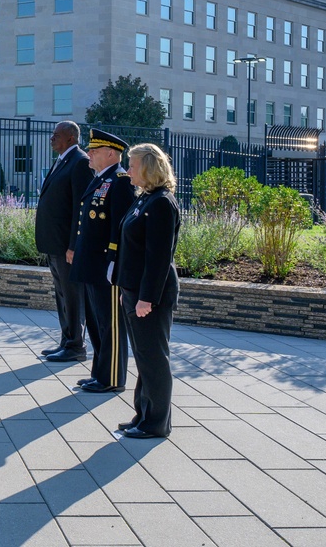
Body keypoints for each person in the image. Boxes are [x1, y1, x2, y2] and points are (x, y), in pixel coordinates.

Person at [111, 143, 181, 439]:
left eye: (133, 165)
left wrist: (146, 298)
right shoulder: (145, 199)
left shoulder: (162, 203)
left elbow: (158, 258)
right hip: (133, 290)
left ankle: (156, 423)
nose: (128, 170)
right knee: (143, 357)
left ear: (149, 167)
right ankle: (143, 414)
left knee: (153, 358)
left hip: (149, 295)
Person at [69, 129, 135, 393]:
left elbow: (119, 227)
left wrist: (113, 261)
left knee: (111, 324)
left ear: (111, 153)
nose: (90, 154)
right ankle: (99, 373)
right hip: (90, 264)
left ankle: (112, 378)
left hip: (105, 266)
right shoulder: (100, 179)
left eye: (94, 151)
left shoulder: (119, 181)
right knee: (96, 323)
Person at [36, 121, 94, 363]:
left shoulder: (80, 162)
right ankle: (66, 340)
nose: (52, 138)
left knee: (72, 296)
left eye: (56, 135)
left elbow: (80, 208)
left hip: (66, 246)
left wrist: (74, 245)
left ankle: (75, 346)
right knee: (62, 294)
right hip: (55, 244)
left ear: (71, 138)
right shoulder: (63, 159)